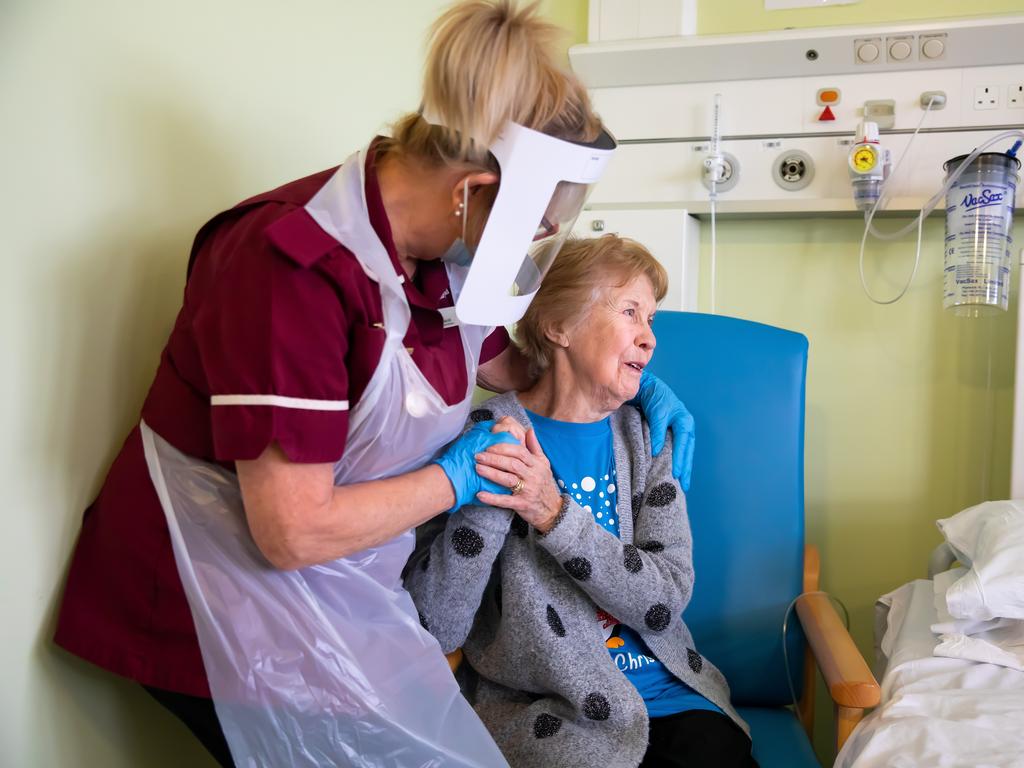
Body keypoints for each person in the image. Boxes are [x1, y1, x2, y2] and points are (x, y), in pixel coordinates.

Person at [53, 2, 696, 766]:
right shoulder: (287, 270)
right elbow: (293, 530)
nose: (537, 242)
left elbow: (508, 365)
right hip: (213, 599)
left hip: (343, 587)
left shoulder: (448, 261)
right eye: (536, 221)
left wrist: (622, 384)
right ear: (474, 189)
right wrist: (454, 477)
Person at [406, 235, 757, 768]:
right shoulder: (481, 440)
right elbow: (438, 625)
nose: (649, 339)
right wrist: (485, 498)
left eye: (651, 320)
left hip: (672, 698)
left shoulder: (647, 438)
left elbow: (665, 599)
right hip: (548, 712)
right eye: (630, 313)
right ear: (559, 327)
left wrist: (553, 514)